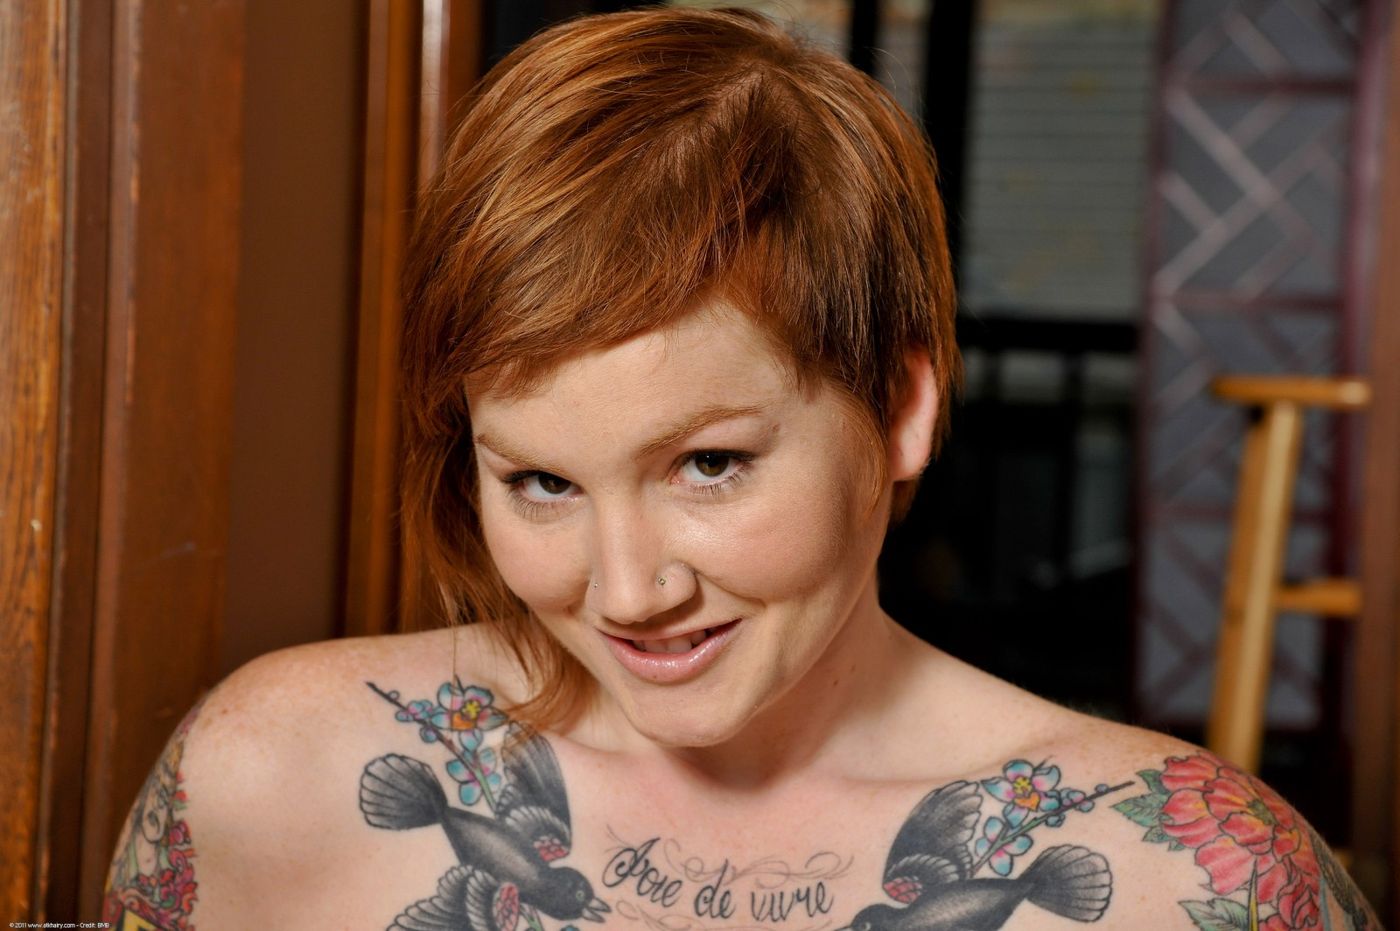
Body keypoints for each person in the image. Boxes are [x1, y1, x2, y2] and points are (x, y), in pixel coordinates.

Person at [103, 7, 1380, 930]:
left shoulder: (1191, 880)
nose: (626, 591)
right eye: (541, 482)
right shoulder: (270, 778)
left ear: (900, 408)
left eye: (707, 463)